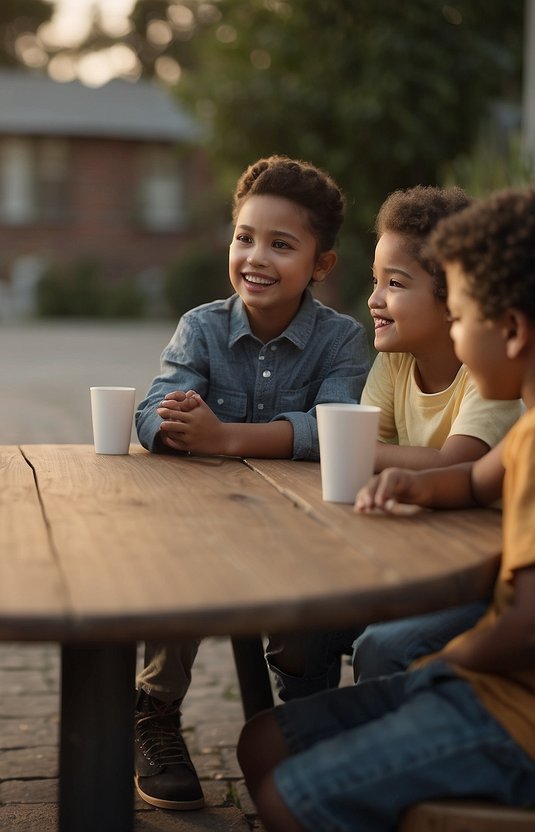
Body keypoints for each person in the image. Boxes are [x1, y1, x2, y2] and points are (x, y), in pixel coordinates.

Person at [237, 185, 535, 832]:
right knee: (261, 742)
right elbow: (472, 480)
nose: (457, 338)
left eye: (461, 316)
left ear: (514, 331)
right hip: (506, 692)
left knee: (290, 797)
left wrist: (441, 667)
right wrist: (417, 487)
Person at [131, 155, 372, 811]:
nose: (255, 258)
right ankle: (152, 712)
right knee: (177, 567)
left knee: (305, 606)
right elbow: (153, 408)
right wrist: (172, 423)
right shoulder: (202, 328)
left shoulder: (342, 341)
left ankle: (303, 720)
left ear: (321, 263)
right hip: (205, 520)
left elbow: (336, 428)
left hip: (301, 526)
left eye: (280, 244)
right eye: (244, 237)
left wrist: (225, 437)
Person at [267, 186, 523, 698]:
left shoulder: (489, 374)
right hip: (408, 558)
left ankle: (376, 758)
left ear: (455, 299)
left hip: (476, 576)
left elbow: (455, 464)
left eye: (396, 283)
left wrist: (353, 449)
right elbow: (368, 456)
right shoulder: (395, 360)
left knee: (382, 647)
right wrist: (370, 455)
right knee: (300, 616)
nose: (374, 298)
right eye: (375, 281)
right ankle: (312, 738)